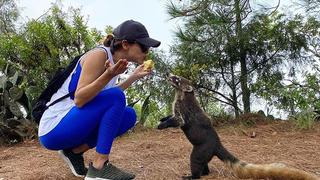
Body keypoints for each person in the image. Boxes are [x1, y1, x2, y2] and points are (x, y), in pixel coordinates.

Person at [38, 20, 161, 180]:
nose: (147, 51)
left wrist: (133, 77)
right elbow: (80, 99)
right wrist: (108, 75)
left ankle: (74, 152)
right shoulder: (99, 55)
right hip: (54, 127)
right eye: (144, 47)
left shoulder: (114, 61)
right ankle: (99, 167)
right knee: (116, 97)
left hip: (72, 124)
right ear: (125, 44)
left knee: (129, 115)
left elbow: (105, 98)